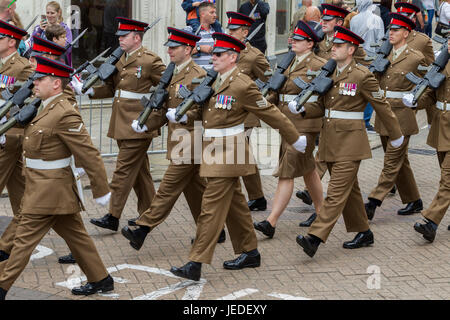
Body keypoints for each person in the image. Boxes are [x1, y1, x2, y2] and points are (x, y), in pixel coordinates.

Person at [166, 33, 306, 281]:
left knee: (210, 207)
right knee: (236, 206)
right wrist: (181, 116)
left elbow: (270, 112)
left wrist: (294, 137)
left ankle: (195, 262)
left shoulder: (243, 84)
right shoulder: (214, 80)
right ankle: (250, 252)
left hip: (229, 152)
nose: (213, 57)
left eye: (219, 54)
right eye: (213, 53)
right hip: (213, 149)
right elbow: (203, 114)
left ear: (232, 57)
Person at [0, 55, 114, 300]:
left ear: (56, 83)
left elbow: (89, 153)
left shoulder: (64, 112)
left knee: (22, 244)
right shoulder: (43, 105)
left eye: (41, 79)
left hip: (48, 190)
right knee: (77, 235)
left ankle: (1, 285)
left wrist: (101, 189)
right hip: (43, 185)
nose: (35, 83)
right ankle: (101, 279)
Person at [294, 26, 403, 258]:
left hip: (352, 143)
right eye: (333, 45)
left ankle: (314, 238)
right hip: (330, 141)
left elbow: (382, 106)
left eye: (338, 45)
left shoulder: (362, 75)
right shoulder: (329, 72)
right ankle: (364, 232)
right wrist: (303, 109)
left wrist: (395, 135)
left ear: (351, 49)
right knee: (350, 192)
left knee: (334, 194)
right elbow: (323, 108)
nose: (333, 48)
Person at [120, 27, 226, 249]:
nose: (169, 51)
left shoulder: (197, 75)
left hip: (190, 140)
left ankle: (142, 229)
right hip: (178, 138)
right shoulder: (174, 72)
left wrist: (183, 115)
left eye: (174, 47)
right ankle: (215, 230)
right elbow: (164, 109)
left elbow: (199, 109)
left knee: (167, 189)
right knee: (196, 190)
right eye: (169, 47)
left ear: (188, 49)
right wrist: (145, 124)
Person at [86, 17, 165, 233]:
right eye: (119, 36)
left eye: (124, 36)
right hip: (121, 122)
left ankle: (112, 216)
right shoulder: (120, 59)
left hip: (139, 124)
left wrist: (154, 116)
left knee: (122, 171)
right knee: (140, 172)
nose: (119, 39)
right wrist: (91, 91)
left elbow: (166, 87)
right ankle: (150, 214)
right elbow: (113, 89)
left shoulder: (150, 60)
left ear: (136, 37)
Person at [294, 3, 371, 226]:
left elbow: (360, 73)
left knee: (333, 163)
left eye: (328, 20)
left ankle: (319, 212)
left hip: (344, 110)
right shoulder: (318, 43)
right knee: (337, 167)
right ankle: (360, 228)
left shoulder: (349, 46)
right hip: (322, 107)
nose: (323, 22)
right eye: (323, 19)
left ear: (339, 22)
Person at [253, 20, 325, 239]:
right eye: (293, 38)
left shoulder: (320, 65)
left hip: (305, 125)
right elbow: (278, 91)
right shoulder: (288, 62)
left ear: (310, 43)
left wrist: (304, 108)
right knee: (308, 169)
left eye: (299, 39)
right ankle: (323, 212)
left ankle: (271, 221)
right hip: (286, 123)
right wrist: (264, 101)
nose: (293, 41)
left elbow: (323, 100)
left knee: (286, 171)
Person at [365, 13, 426, 220]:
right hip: (383, 116)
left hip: (402, 117)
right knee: (401, 161)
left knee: (391, 163)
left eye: (395, 30)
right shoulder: (385, 55)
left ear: (406, 33)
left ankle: (373, 201)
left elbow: (426, 88)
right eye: (390, 30)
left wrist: (415, 104)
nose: (390, 33)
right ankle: (414, 200)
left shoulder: (416, 58)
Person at [404, 38, 450, 243]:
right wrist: (415, 100)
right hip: (442, 127)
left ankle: (431, 222)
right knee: (445, 174)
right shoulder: (443, 62)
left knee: (448, 180)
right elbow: (432, 95)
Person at [226, 11, 271, 211]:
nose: (230, 32)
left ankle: (249, 196)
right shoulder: (225, 51)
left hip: (246, 114)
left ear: (245, 32)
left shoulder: (254, 56)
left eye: (234, 29)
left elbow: (272, 81)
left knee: (240, 154)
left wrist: (259, 102)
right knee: (243, 155)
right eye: (229, 28)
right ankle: (257, 197)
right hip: (226, 111)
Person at [0, 20, 34, 264]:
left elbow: (33, 97)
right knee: (23, 197)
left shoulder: (21, 67)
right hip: (5, 137)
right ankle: (16, 241)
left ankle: (8, 244)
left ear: (11, 41)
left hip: (10, 136)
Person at [350, 0, 385, 132]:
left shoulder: (354, 19)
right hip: (371, 58)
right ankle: (366, 120)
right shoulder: (377, 19)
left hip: (357, 56)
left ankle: (356, 116)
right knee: (371, 88)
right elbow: (380, 40)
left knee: (356, 87)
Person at [31, 1, 73, 67]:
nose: (49, 16)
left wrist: (51, 31)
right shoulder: (38, 28)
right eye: (47, 13)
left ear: (58, 13)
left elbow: (68, 49)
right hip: (41, 64)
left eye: (52, 13)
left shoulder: (65, 28)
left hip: (59, 64)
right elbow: (31, 45)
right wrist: (40, 30)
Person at [185, 2, 223, 71]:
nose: (215, 15)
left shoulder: (220, 31)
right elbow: (182, 54)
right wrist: (200, 48)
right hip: (195, 76)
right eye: (212, 13)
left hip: (215, 76)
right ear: (202, 14)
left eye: (215, 12)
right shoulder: (189, 31)